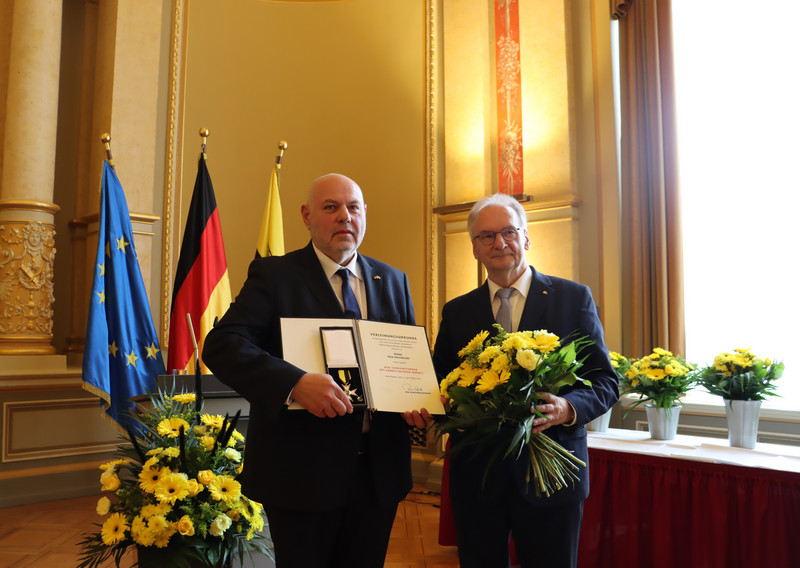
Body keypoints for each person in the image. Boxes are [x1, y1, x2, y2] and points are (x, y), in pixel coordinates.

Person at [202, 173, 416, 567]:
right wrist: (294, 383)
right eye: (331, 207)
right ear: (306, 216)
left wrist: (416, 399)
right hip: (301, 473)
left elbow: (407, 363)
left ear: (365, 213)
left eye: (353, 207)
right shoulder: (274, 275)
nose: (344, 217)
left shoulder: (394, 280)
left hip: (379, 472)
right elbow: (222, 345)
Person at [406, 193, 618, 568]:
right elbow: (440, 384)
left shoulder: (573, 298)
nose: (499, 243)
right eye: (486, 236)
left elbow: (604, 381)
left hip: (550, 476)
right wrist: (417, 402)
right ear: (474, 247)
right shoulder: (458, 311)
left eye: (508, 232)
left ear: (526, 238)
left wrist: (568, 408)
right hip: (477, 477)